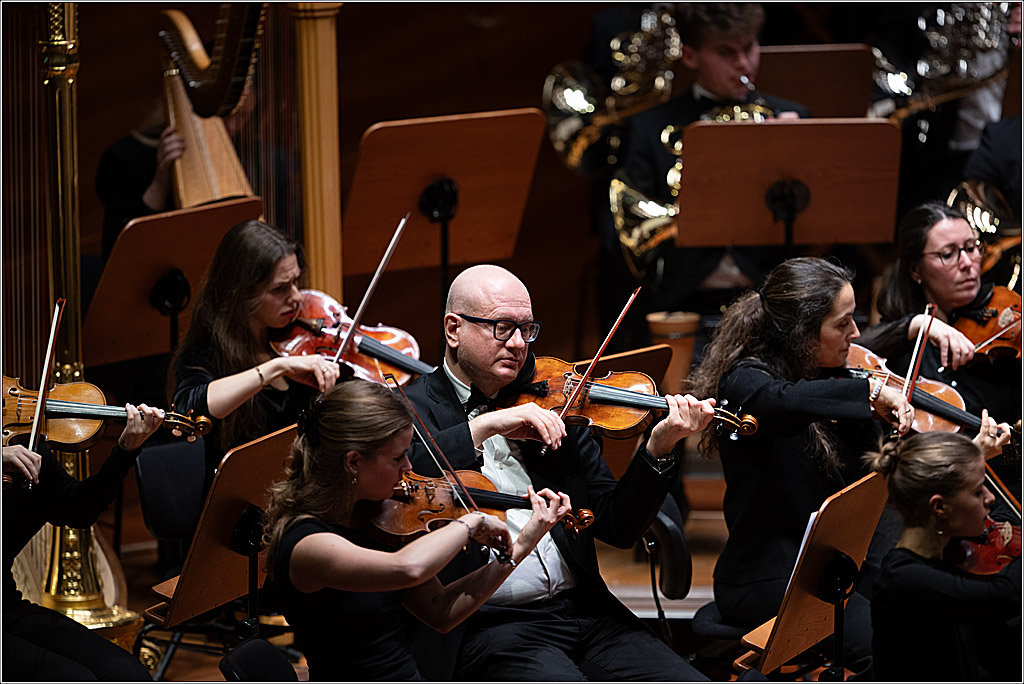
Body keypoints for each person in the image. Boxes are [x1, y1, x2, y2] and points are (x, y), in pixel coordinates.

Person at [401, 264, 717, 681]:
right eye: (501, 328)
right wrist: (484, 426)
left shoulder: (556, 402)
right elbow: (405, 482)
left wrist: (658, 446)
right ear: (454, 329)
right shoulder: (408, 409)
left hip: (584, 613)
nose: (518, 344)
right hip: (491, 626)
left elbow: (617, 526)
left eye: (526, 329)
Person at [686, 256, 916, 672]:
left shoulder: (830, 379)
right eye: (842, 323)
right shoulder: (745, 382)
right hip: (766, 578)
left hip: (832, 572)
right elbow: (780, 401)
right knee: (881, 644)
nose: (856, 333)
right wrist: (865, 396)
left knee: (913, 612)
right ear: (801, 332)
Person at [263, 379, 571, 681]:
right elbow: (407, 568)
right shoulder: (305, 543)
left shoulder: (376, 521)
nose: (409, 467)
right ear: (354, 462)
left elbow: (441, 612)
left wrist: (521, 546)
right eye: (398, 457)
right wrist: (471, 521)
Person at [610, 2, 809, 342]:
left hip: (772, 303)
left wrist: (788, 152)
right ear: (690, 56)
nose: (743, 64)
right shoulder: (649, 127)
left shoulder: (792, 117)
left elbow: (819, 221)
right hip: (685, 305)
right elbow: (632, 232)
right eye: (725, 52)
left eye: (749, 47)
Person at [861, 201, 1021, 505]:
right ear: (916, 270)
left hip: (1011, 491)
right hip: (943, 505)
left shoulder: (1005, 335)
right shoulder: (903, 351)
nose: (968, 263)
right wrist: (920, 324)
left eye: (972, 247)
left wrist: (1005, 446)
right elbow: (852, 352)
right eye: (948, 254)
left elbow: (1017, 447)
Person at [172, 219, 341, 495]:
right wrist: (276, 367)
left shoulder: (302, 340)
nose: (296, 297)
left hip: (304, 495)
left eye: (296, 281)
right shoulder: (206, 351)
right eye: (280, 289)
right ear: (242, 293)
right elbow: (189, 405)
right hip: (243, 505)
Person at [3, 404, 164, 680]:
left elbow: (79, 510)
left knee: (128, 673)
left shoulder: (25, 454)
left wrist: (125, 449)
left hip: (8, 612)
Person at [865, 429, 1020, 681]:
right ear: (939, 507)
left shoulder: (950, 552)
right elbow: (1004, 596)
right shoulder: (903, 580)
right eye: (978, 491)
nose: (990, 498)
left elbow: (997, 650)